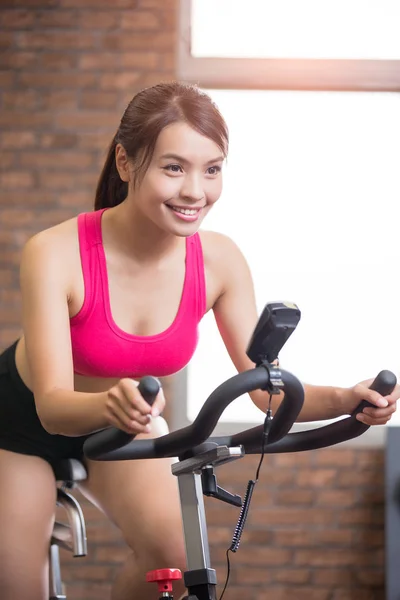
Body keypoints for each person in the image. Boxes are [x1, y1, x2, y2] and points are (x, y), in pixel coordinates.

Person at [0, 81, 398, 600]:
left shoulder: (220, 261)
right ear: (125, 162)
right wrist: (109, 404)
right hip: (20, 425)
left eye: (211, 169)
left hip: (126, 421)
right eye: (173, 167)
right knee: (17, 588)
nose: (195, 191)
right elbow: (52, 408)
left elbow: (263, 389)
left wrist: (349, 399)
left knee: (175, 563)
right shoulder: (54, 253)